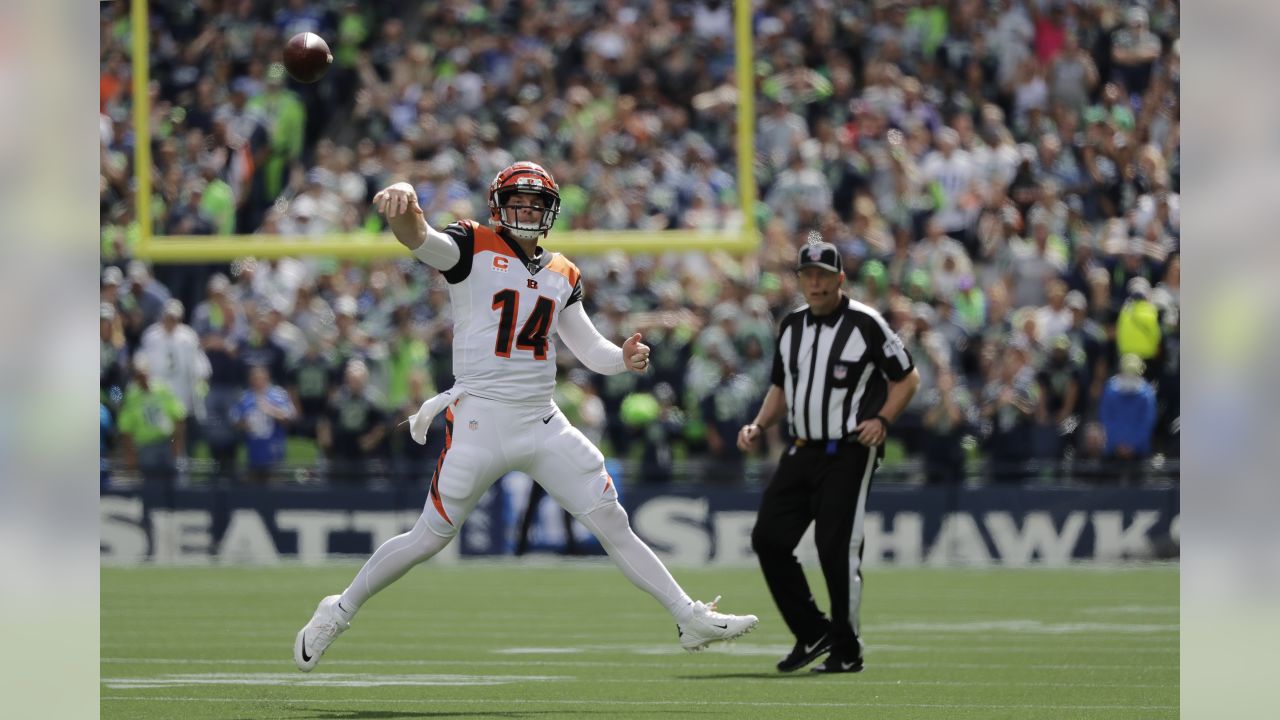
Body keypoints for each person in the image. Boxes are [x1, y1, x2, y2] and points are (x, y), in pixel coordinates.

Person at [293, 161, 757, 672]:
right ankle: (338, 609)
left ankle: (687, 616)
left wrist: (622, 359)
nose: (528, 210)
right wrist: (405, 202)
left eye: (538, 204)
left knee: (611, 518)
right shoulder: (473, 245)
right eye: (519, 201)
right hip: (480, 418)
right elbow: (419, 238)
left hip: (541, 419)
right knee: (429, 537)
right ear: (498, 205)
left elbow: (590, 350)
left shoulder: (563, 272)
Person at [738, 241, 920, 674]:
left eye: (823, 275)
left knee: (835, 549)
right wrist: (760, 424)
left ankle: (847, 647)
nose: (815, 283)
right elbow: (780, 387)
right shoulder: (791, 326)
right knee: (769, 538)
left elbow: (907, 378)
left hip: (849, 451)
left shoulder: (866, 324)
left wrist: (882, 420)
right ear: (799, 279)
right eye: (808, 275)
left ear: (840, 279)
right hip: (801, 449)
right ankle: (813, 631)